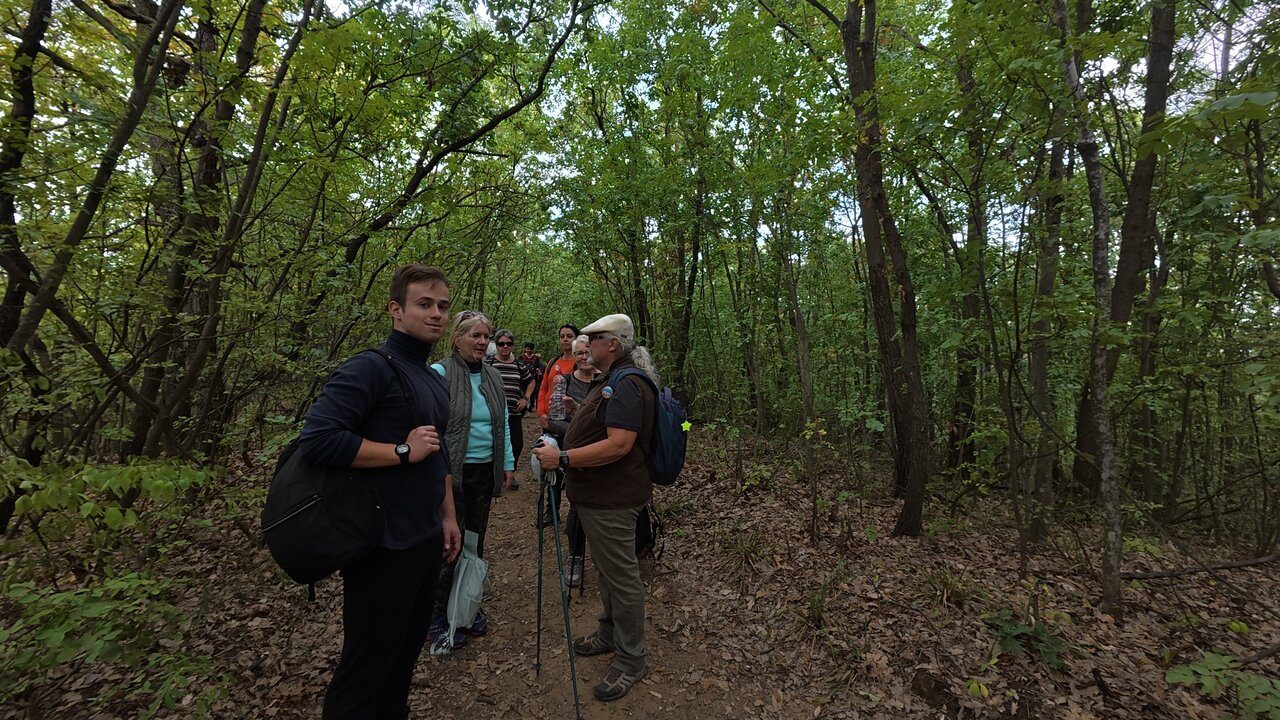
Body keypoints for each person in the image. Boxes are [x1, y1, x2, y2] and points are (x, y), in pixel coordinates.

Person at [297, 264, 461, 719]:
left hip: (423, 538)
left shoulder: (431, 377)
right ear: (396, 310)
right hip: (380, 543)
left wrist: (447, 516)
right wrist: (401, 449)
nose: (436, 315)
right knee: (365, 668)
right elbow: (319, 439)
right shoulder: (370, 367)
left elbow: (439, 453)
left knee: (402, 663)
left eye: (442, 306)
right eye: (424, 305)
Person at [533, 313, 657, 702]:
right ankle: (609, 632)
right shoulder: (612, 380)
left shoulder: (628, 384)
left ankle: (632, 658)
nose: (583, 344)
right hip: (599, 496)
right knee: (606, 569)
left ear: (613, 344)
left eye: (593, 339)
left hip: (613, 499)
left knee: (621, 576)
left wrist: (564, 459)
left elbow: (619, 444)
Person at [428, 310, 515, 646]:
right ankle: (437, 614)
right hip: (450, 474)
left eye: (486, 336)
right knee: (449, 542)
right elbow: (432, 426)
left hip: (484, 470)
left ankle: (465, 605)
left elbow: (502, 422)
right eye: (475, 336)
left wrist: (507, 462)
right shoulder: (440, 373)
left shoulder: (492, 376)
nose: (482, 342)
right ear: (457, 338)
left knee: (476, 542)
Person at [546, 334, 599, 588]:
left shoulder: (605, 381)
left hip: (604, 454)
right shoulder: (563, 381)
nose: (584, 356)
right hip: (574, 454)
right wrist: (579, 434)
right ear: (574, 357)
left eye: (588, 350)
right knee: (577, 504)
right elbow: (554, 420)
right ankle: (575, 558)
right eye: (579, 353)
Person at [486, 329, 535, 491]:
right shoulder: (489, 363)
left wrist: (525, 399)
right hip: (493, 413)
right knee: (492, 443)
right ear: (497, 345)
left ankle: (510, 473)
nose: (505, 346)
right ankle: (494, 475)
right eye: (501, 344)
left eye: (509, 343)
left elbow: (531, 382)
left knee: (516, 444)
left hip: (513, 412)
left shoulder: (518, 364)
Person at [536, 324, 579, 431]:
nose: (565, 339)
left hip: (568, 419)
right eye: (562, 336)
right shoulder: (553, 362)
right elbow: (543, 388)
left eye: (569, 336)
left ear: (576, 339)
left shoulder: (581, 363)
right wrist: (541, 413)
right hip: (548, 416)